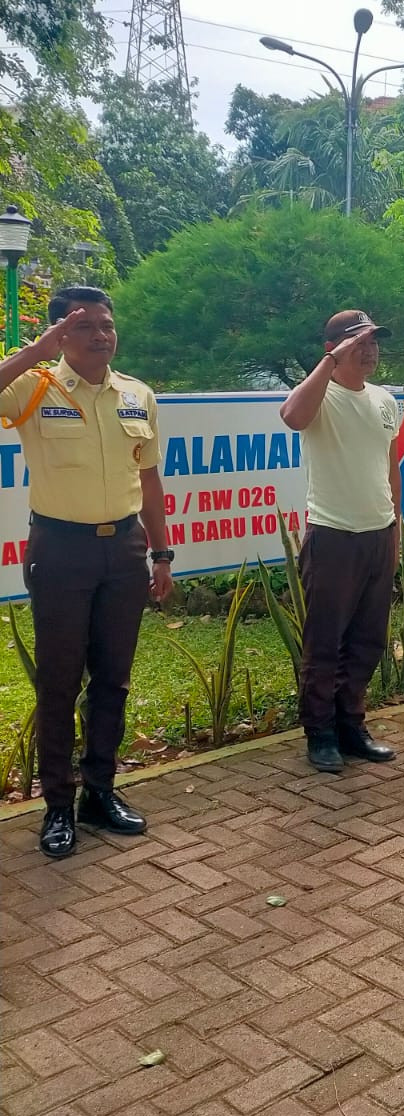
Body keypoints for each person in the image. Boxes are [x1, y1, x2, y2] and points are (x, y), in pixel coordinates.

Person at [0, 288, 173, 859]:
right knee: (59, 682)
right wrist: (36, 351)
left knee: (113, 679)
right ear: (60, 333)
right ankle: (57, 806)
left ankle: (101, 790)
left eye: (107, 323)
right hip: (61, 549)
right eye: (85, 325)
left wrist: (162, 553)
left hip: (123, 548)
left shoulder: (136, 394)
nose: (102, 334)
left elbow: (149, 480)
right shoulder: (34, 386)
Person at [280, 310, 401, 773]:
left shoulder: (386, 400)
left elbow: (388, 468)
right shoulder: (320, 395)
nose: (369, 350)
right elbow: (292, 416)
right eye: (360, 343)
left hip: (377, 533)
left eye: (374, 342)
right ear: (334, 348)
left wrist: (393, 529)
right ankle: (321, 731)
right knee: (325, 642)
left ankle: (352, 723)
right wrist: (331, 362)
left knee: (367, 640)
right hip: (333, 535)